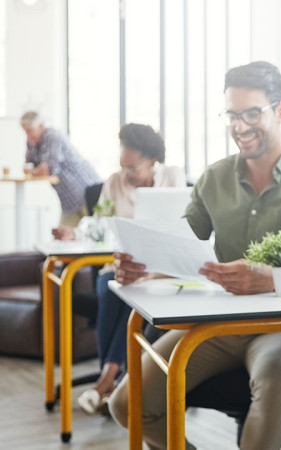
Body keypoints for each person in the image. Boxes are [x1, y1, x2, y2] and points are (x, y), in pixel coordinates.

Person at [107, 61, 281, 450]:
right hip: (218, 323)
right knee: (127, 405)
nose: (240, 127)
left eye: (252, 113)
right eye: (232, 115)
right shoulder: (215, 178)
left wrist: (273, 277)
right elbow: (180, 250)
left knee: (274, 381)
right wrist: (143, 269)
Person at [59, 123, 186, 415]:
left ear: (152, 159)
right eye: (123, 166)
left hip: (158, 271)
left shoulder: (173, 176)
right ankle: (115, 380)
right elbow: (96, 224)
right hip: (117, 267)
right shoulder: (114, 182)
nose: (127, 174)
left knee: (136, 301)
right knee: (111, 292)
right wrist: (74, 233)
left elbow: (180, 226)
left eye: (133, 168)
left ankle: (108, 380)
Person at [20, 111, 101, 227]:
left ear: (41, 127)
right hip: (69, 201)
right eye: (25, 131)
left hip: (85, 190)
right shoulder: (32, 142)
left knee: (96, 233)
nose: (28, 135)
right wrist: (36, 169)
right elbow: (28, 166)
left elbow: (49, 169)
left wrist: (37, 170)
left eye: (30, 130)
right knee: (62, 237)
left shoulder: (53, 136)